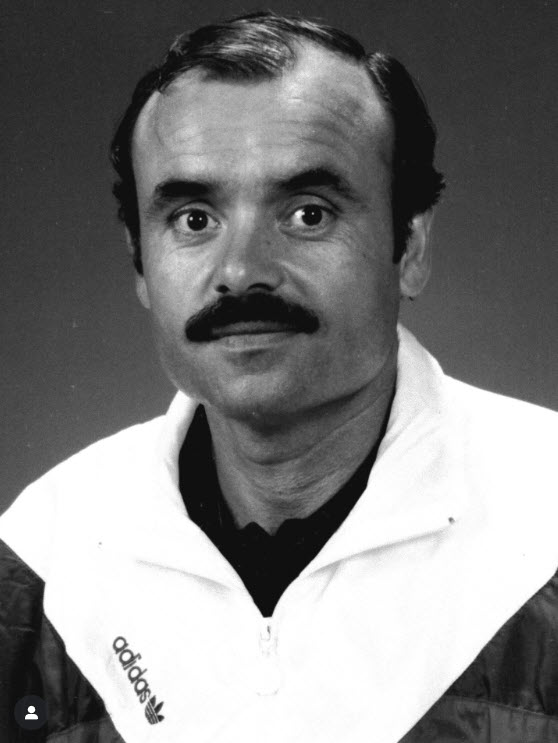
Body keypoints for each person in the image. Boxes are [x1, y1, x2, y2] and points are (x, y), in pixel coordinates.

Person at [0, 10, 556, 743]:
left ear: (410, 247)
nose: (241, 270)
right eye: (194, 219)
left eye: (308, 213)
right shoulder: (45, 559)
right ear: (140, 262)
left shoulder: (544, 524)